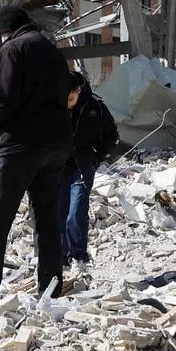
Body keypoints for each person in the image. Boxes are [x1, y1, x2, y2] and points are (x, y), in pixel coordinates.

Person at [0, 4, 72, 299]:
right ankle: (50, 290)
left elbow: (3, 96)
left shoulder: (13, 49)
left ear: (6, 31)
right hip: (57, 145)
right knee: (46, 219)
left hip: (21, 146)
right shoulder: (54, 52)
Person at [59, 71, 119, 266]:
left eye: (71, 98)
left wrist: (96, 157)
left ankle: (77, 255)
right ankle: (60, 256)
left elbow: (111, 135)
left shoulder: (95, 108)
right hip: (58, 167)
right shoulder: (54, 107)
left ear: (79, 90)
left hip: (83, 166)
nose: (68, 102)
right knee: (59, 212)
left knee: (76, 211)